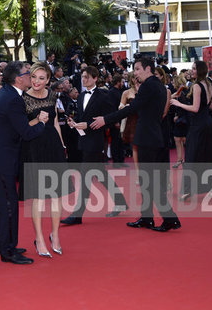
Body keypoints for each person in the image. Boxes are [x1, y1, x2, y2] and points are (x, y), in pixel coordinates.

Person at [91, 58, 181, 232]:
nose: (135, 72)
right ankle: (147, 218)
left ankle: (170, 219)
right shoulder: (160, 86)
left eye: (138, 69)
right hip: (152, 136)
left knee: (149, 181)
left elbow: (131, 109)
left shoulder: (149, 85)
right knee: (147, 181)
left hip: (148, 137)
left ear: (148, 68)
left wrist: (105, 119)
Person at [0, 61, 48, 265]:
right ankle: (8, 250)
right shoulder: (12, 99)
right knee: (9, 205)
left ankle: (0, 243)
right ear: (19, 78)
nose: (32, 77)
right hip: (0, 160)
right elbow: (26, 132)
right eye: (29, 74)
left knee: (2, 204)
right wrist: (42, 123)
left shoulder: (7, 93)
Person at [61, 66, 127, 226]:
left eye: (87, 77)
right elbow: (83, 118)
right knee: (101, 174)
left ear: (96, 78)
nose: (84, 80)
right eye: (83, 77)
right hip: (83, 140)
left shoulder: (104, 96)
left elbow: (109, 119)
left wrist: (88, 125)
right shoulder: (82, 95)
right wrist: (74, 123)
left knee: (85, 177)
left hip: (96, 141)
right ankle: (120, 200)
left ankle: (77, 214)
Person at [20, 62, 67, 258]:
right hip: (34, 148)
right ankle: (39, 238)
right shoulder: (22, 98)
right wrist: (37, 120)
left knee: (57, 196)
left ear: (48, 80)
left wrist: (63, 146)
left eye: (41, 78)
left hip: (53, 146)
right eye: (33, 77)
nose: (37, 81)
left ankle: (54, 235)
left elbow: (56, 122)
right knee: (38, 198)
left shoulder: (52, 95)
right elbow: (21, 127)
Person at [170, 61, 212, 201]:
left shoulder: (197, 86)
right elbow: (209, 106)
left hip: (198, 125)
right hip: (208, 123)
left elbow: (195, 108)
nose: (191, 70)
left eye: (194, 68)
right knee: (209, 156)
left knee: (192, 156)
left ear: (199, 70)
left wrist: (178, 103)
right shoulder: (209, 84)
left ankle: (188, 190)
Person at [120, 71, 140, 179]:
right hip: (132, 121)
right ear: (131, 79)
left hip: (143, 120)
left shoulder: (144, 90)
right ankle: (138, 174)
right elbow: (120, 107)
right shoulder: (126, 93)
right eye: (134, 78)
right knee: (135, 148)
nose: (136, 79)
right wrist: (128, 106)